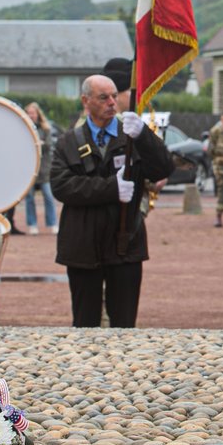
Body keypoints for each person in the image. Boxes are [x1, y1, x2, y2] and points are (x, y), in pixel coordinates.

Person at [51, 74, 174, 327]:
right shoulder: (68, 142)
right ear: (86, 101)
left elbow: (162, 168)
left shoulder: (130, 137)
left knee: (124, 324)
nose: (112, 103)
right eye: (103, 97)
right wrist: (111, 188)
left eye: (114, 96)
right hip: (83, 245)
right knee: (85, 324)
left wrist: (144, 136)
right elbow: (61, 186)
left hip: (125, 243)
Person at [24, 102, 58, 235]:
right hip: (29, 170)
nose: (31, 115)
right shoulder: (23, 128)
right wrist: (39, 144)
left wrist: (36, 144)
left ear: (38, 114)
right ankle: (32, 224)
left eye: (33, 113)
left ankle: (53, 223)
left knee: (49, 196)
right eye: (29, 113)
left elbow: (48, 145)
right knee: (30, 198)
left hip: (44, 170)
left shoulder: (46, 129)